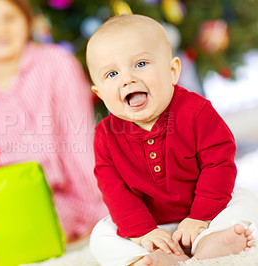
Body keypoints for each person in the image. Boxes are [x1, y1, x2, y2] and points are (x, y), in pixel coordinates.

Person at [86, 14, 258, 266]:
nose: (127, 78)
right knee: (100, 237)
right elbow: (114, 189)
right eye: (111, 73)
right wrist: (144, 232)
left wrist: (200, 218)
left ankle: (209, 242)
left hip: (210, 210)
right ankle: (153, 256)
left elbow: (218, 164)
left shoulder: (196, 112)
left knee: (246, 204)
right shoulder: (105, 135)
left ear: (172, 71)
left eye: (141, 64)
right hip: (152, 224)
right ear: (100, 93)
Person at [0, 0, 108, 243]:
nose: (0, 29)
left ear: (27, 23)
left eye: (9, 18)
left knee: (29, 236)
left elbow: (78, 143)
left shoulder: (57, 64)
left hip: (63, 200)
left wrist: (100, 209)